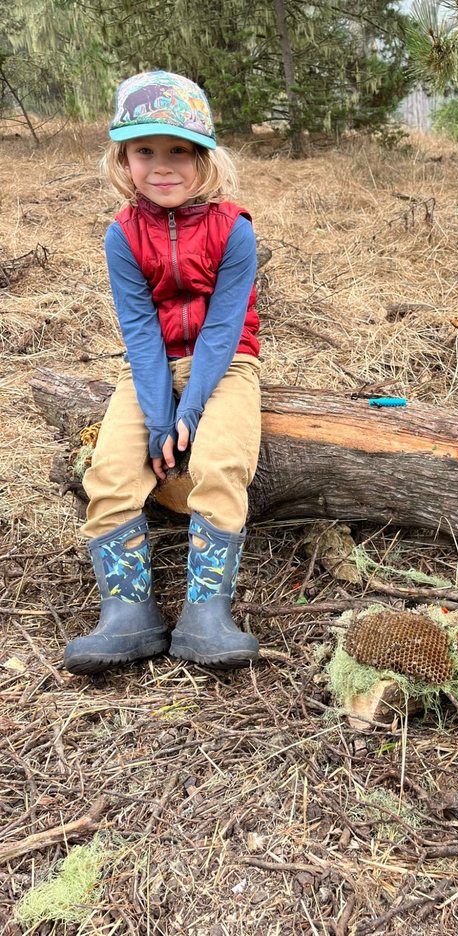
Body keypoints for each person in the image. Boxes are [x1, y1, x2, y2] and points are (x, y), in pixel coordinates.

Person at [63, 71, 262, 675]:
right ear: (123, 157)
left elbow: (225, 331)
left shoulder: (234, 230)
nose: (162, 165)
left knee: (220, 461)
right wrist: (158, 419)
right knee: (111, 468)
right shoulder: (122, 235)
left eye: (179, 150)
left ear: (204, 158)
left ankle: (207, 614)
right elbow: (140, 331)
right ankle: (128, 613)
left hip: (227, 365)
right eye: (145, 150)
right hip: (149, 366)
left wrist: (191, 412)